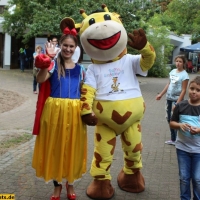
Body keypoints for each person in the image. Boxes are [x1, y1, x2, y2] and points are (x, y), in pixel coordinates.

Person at [32, 25, 87, 200]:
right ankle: (57, 186)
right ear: (60, 46)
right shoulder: (53, 65)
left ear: (75, 48)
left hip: (75, 113)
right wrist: (46, 60)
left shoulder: (81, 70)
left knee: (72, 147)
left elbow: (86, 93)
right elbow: (40, 79)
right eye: (65, 46)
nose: (68, 49)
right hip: (54, 112)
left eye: (71, 46)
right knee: (55, 148)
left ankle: (70, 184)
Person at [170, 76, 200, 200]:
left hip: (198, 150)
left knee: (198, 179)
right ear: (188, 89)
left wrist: (199, 130)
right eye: (192, 88)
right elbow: (172, 123)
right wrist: (180, 125)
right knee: (184, 178)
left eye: (198, 90)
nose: (194, 92)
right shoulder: (181, 105)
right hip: (182, 149)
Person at [156, 55, 189, 145]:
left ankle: (179, 139)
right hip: (169, 99)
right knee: (169, 118)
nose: (178, 63)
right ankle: (173, 139)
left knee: (176, 120)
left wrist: (177, 103)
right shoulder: (172, 71)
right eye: (177, 61)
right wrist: (161, 94)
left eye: (180, 61)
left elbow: (184, 90)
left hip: (177, 100)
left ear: (183, 63)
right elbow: (168, 84)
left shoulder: (184, 75)